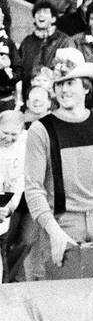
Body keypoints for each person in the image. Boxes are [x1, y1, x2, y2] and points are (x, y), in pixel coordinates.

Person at [23, 48, 93, 272]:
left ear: (85, 87)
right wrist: (54, 231)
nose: (64, 89)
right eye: (59, 84)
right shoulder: (41, 129)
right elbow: (33, 188)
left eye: (70, 83)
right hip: (61, 223)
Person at [19, 0, 66, 100]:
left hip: (54, 97)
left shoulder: (64, 41)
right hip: (30, 96)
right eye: (38, 12)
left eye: (45, 12)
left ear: (53, 18)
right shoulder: (27, 42)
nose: (41, 15)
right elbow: (19, 69)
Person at [0, 109, 26, 281]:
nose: (9, 138)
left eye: (14, 134)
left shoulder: (24, 147)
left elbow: (18, 183)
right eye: (4, 133)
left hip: (3, 219)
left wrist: (9, 207)